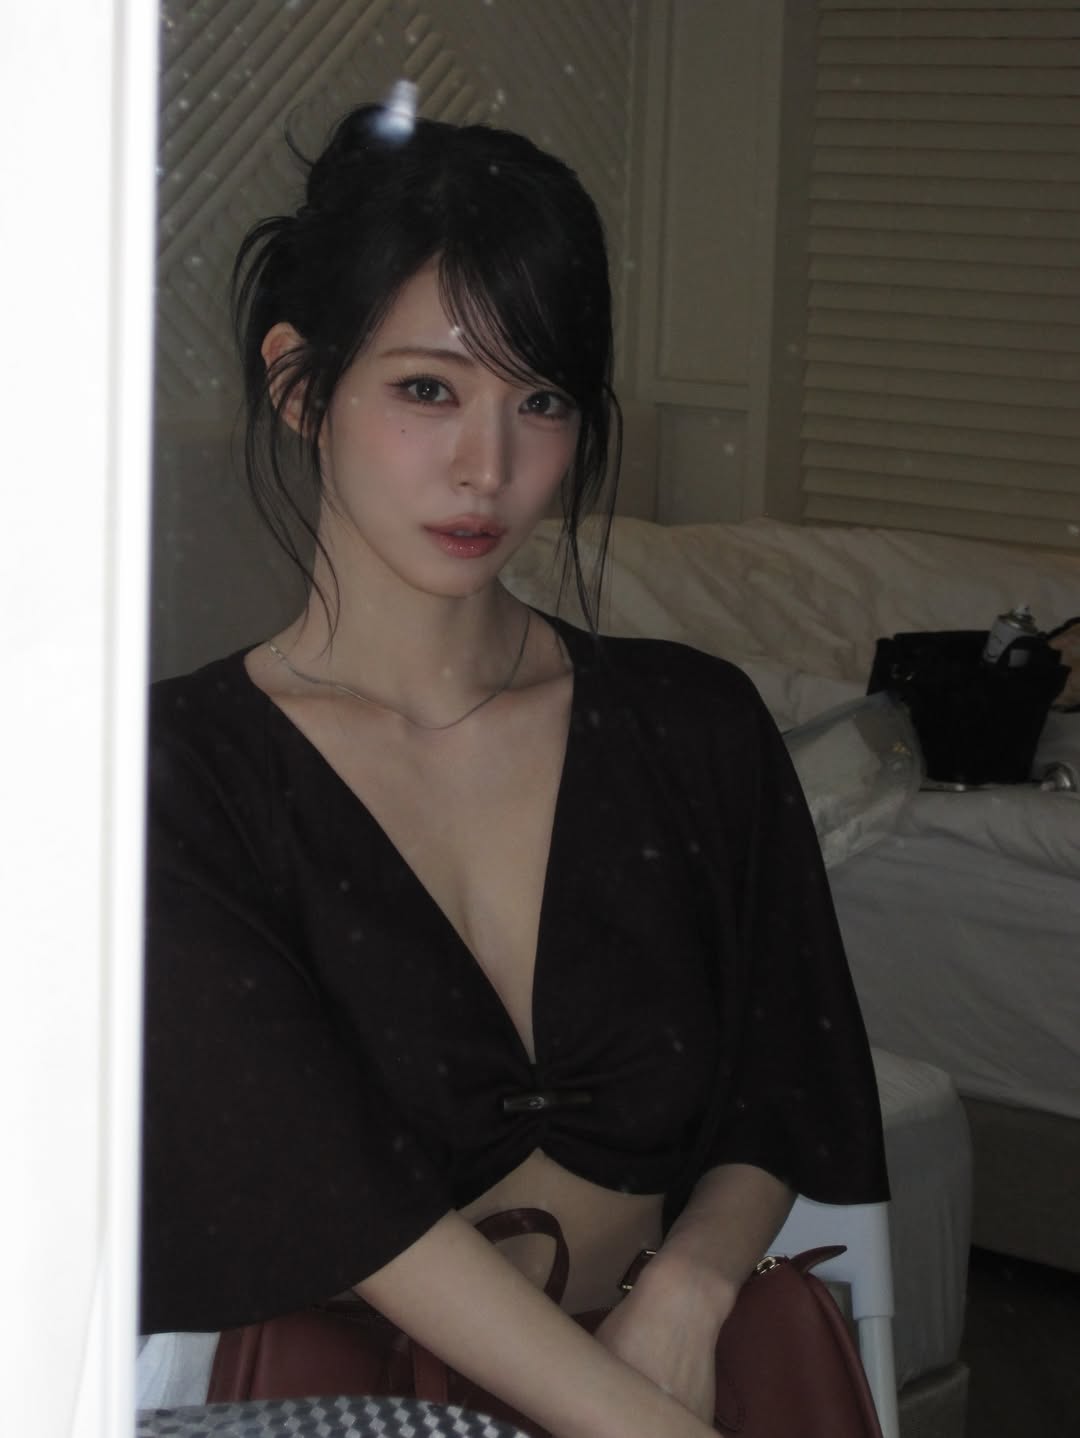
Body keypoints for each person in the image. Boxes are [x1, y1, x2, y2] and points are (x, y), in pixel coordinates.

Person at [140, 101, 888, 1438]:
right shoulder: (183, 773)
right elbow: (328, 1193)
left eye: (539, 400)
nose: (487, 467)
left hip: (675, 1370)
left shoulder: (693, 728)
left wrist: (692, 1287)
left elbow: (784, 1081)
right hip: (349, 1409)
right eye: (428, 389)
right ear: (300, 385)